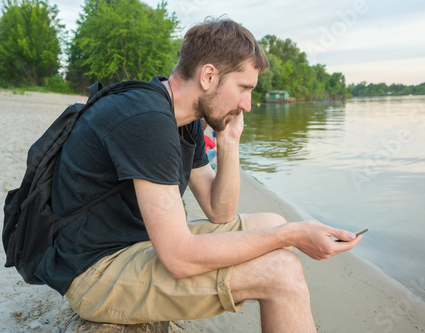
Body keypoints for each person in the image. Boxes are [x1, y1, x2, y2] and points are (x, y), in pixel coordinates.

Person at [35, 18, 363, 332]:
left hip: (132, 245)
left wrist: (228, 140)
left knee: (272, 221)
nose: (248, 104)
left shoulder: (182, 118)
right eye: (243, 88)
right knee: (282, 271)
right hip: (93, 272)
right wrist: (291, 236)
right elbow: (179, 258)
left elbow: (219, 211)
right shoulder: (147, 121)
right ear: (208, 76)